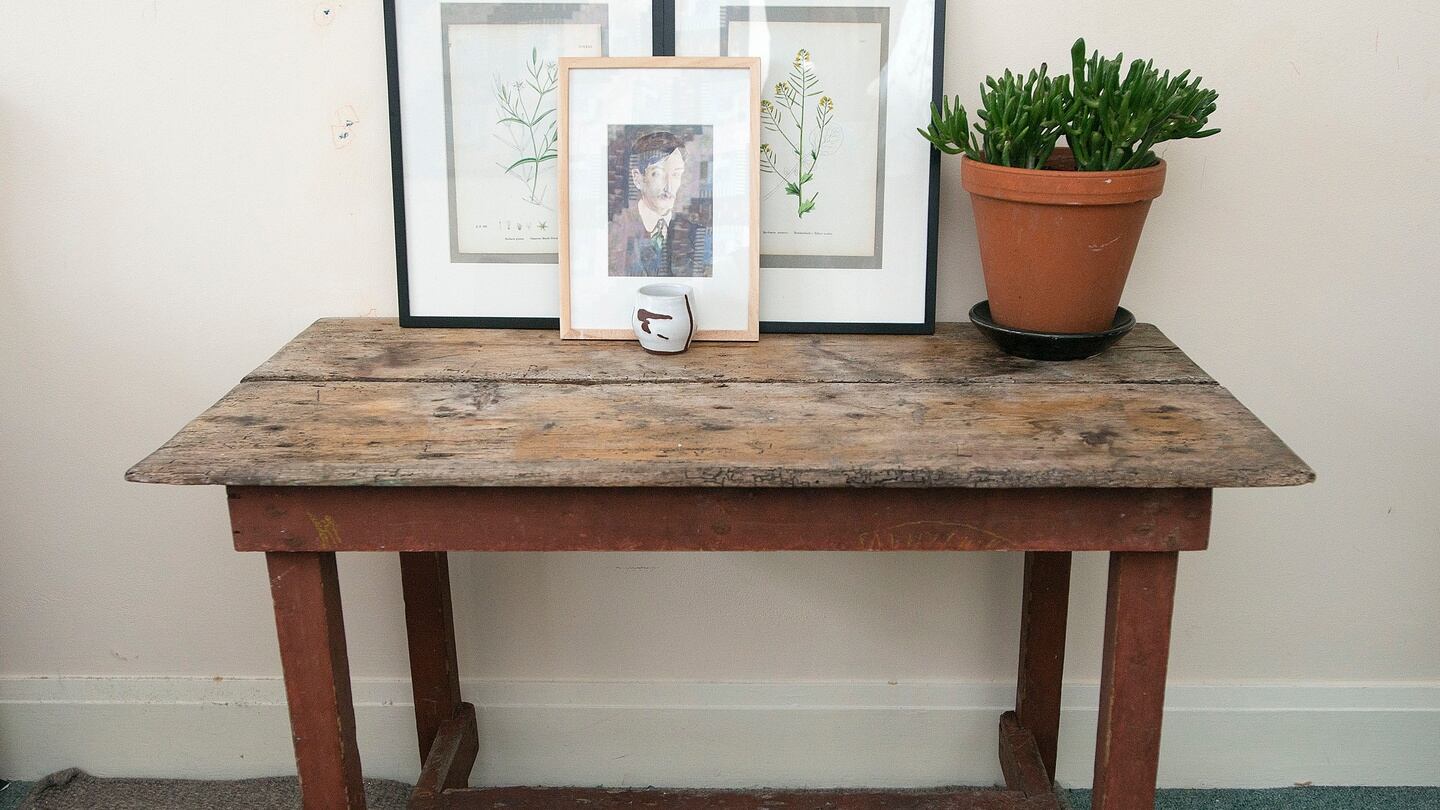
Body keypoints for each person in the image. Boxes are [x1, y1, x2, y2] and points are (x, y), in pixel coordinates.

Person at [608, 130, 712, 277]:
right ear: (638, 179)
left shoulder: (698, 237)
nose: (669, 187)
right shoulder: (612, 234)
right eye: (658, 174)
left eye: (676, 174)